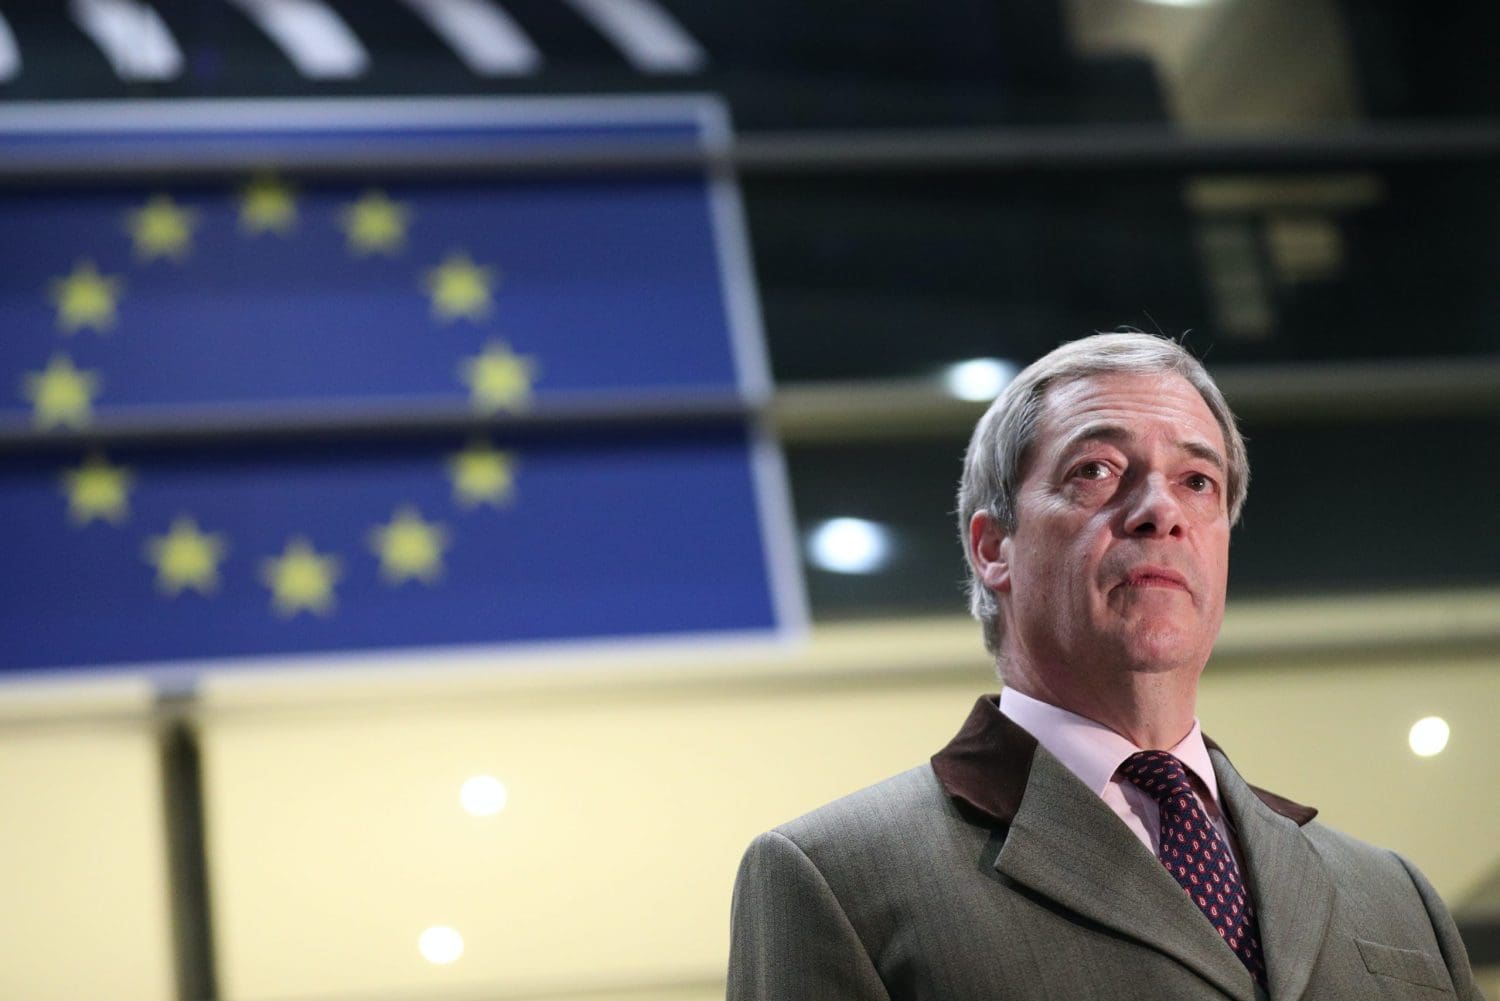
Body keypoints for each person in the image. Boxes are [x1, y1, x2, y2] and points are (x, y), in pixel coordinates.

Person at [726, 332, 1483, 1000]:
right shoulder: (833, 879)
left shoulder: (1395, 894)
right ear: (994, 547)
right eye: (1095, 468)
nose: (1162, 509)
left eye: (1198, 480)